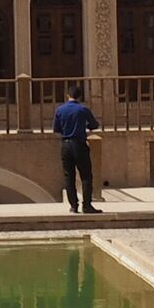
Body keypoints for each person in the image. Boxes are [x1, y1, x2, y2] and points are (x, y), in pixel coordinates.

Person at [52, 83, 102, 215]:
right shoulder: (83, 110)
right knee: (86, 175)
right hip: (79, 144)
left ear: (67, 95)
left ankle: (73, 206)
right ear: (79, 96)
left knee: (69, 176)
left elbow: (56, 129)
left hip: (66, 145)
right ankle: (87, 205)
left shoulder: (60, 110)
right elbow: (94, 125)